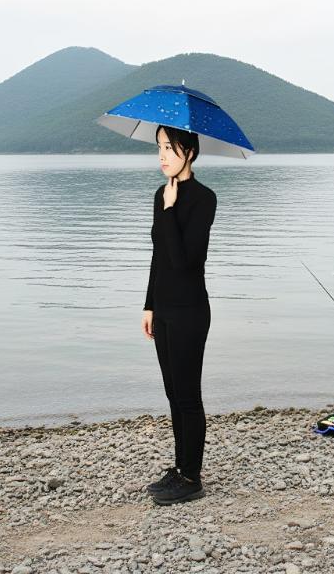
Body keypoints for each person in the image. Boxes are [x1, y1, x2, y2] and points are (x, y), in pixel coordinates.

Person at [141, 124, 217, 505]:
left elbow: (185, 261)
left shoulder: (204, 199)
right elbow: (158, 256)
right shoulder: (160, 194)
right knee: (173, 393)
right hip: (165, 309)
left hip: (190, 311)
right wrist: (149, 304)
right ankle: (180, 467)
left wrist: (171, 210)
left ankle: (192, 478)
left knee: (188, 396)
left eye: (170, 148)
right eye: (159, 147)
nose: (162, 155)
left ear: (189, 152)